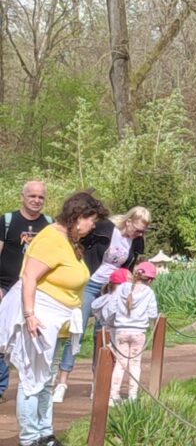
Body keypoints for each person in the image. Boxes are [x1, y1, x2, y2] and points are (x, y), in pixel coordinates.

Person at [0, 191, 107, 446]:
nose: (93, 226)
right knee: (31, 380)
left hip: (56, 323)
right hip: (39, 318)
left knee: (45, 380)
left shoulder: (68, 240)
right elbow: (29, 277)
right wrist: (29, 315)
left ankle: (44, 433)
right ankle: (29, 438)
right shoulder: (51, 237)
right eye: (91, 220)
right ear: (78, 216)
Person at [50, 207, 150, 403]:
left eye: (143, 231)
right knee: (76, 331)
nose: (139, 234)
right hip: (90, 283)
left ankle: (99, 384)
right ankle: (62, 382)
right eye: (137, 229)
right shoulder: (104, 228)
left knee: (103, 337)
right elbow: (80, 241)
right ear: (128, 221)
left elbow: (129, 264)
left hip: (110, 289)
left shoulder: (137, 241)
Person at [0, 181, 52, 402]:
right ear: (22, 196)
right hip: (5, 286)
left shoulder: (50, 225)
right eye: (32, 196)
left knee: (29, 339)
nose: (36, 200)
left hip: (36, 291)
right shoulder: (7, 221)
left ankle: (31, 388)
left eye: (40, 197)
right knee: (1, 337)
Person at [104, 262, 158, 404]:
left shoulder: (122, 288)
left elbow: (112, 307)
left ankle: (113, 396)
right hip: (138, 332)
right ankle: (132, 397)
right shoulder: (149, 293)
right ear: (150, 280)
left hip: (121, 331)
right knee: (135, 364)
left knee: (120, 364)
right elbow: (153, 314)